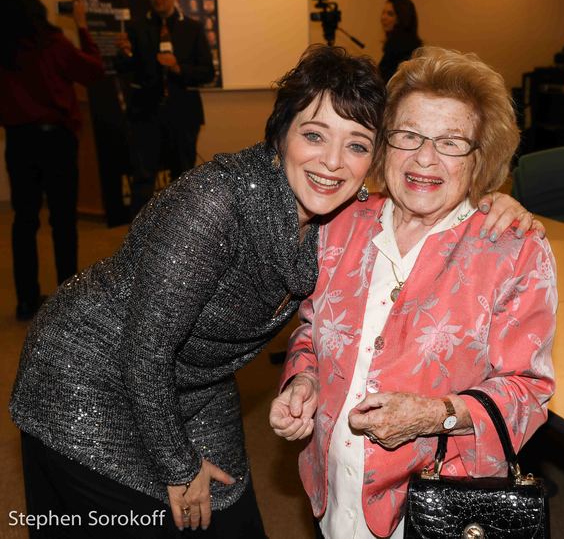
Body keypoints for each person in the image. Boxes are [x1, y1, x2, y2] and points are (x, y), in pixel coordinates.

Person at [10, 44, 537, 539]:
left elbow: (315, 319)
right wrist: (178, 465)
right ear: (281, 132)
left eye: (356, 144)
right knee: (146, 519)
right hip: (88, 376)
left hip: (199, 379)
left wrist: (493, 199)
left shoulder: (343, 218)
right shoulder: (221, 203)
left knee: (233, 515)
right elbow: (146, 349)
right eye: (314, 135)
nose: (332, 162)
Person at [270, 47, 557, 539]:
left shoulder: (512, 249)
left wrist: (434, 416)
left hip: (434, 508)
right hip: (332, 489)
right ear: (385, 143)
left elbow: (528, 391)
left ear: (479, 155)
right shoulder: (340, 225)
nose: (425, 158)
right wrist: (303, 381)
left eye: (451, 142)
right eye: (409, 136)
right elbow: (309, 328)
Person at [0, 0, 104, 321]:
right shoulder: (50, 40)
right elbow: (92, 71)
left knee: (24, 220)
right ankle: (65, 297)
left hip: (18, 139)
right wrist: (82, 25)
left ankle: (27, 300)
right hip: (56, 140)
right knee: (63, 220)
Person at [114, 0, 214, 217]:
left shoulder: (191, 28)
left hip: (183, 114)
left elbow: (207, 72)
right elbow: (124, 69)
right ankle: (138, 238)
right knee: (143, 177)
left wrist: (178, 67)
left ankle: (181, 233)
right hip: (145, 113)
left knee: (183, 176)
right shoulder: (137, 28)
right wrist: (125, 54)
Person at [378, 0, 422, 83]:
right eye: (383, 12)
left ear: (402, 18)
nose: (383, 17)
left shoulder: (400, 49)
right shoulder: (398, 46)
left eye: (390, 14)